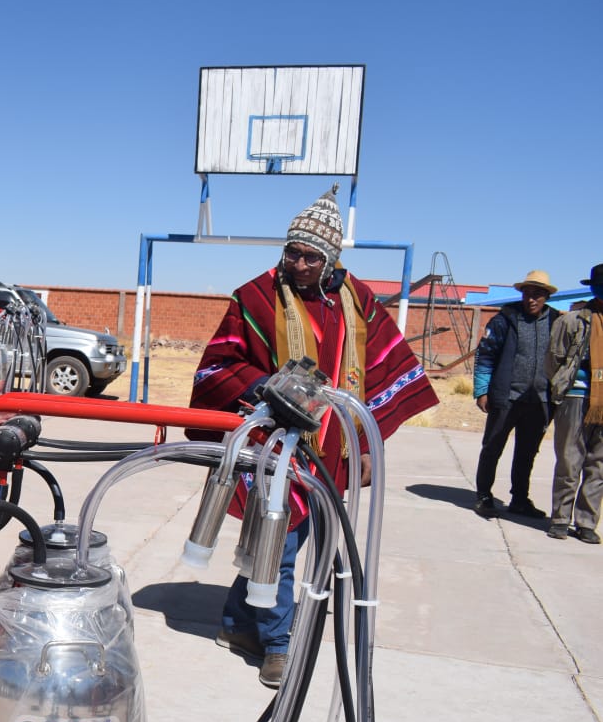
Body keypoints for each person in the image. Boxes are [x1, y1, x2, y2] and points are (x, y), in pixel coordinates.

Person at [189, 185, 438, 688]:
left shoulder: (359, 301)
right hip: (271, 446)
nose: (298, 264)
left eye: (310, 256)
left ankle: (239, 624)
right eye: (292, 252)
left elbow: (382, 373)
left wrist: (366, 446)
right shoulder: (255, 296)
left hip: (333, 446)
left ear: (330, 261)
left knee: (284, 544)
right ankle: (278, 644)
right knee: (279, 542)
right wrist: (264, 385)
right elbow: (218, 366)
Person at [471, 271, 561, 519]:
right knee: (492, 447)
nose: (531, 299)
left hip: (539, 401)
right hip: (506, 397)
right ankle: (484, 496)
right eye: (527, 293)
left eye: (537, 294)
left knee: (527, 452)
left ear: (547, 296)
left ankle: (520, 499)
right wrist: (482, 391)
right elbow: (485, 355)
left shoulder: (556, 321)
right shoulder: (504, 320)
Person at [544, 263, 603, 545]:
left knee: (599, 464)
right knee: (570, 460)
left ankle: (586, 522)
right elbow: (553, 360)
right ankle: (559, 519)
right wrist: (563, 387)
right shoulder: (572, 321)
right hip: (576, 398)